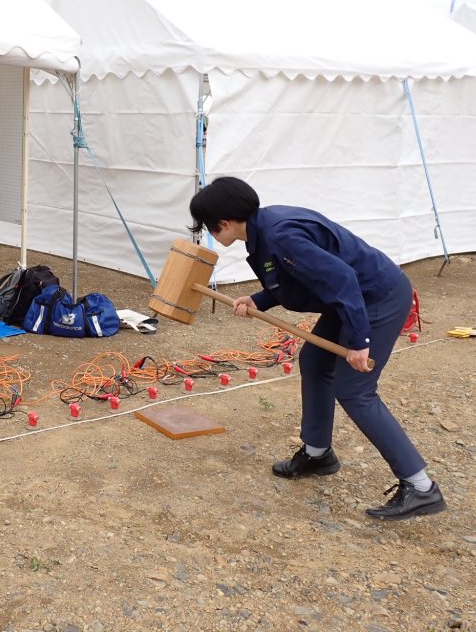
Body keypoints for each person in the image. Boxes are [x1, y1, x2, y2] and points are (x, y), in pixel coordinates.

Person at [189, 176, 446, 521]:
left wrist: (359, 341)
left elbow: (343, 279)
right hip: (350, 300)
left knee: (355, 389)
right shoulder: (263, 230)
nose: (209, 233)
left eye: (207, 227)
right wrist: (258, 300)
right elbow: (296, 277)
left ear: (222, 223)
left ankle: (420, 486)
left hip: (376, 298)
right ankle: (317, 453)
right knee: (315, 360)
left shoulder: (281, 234)